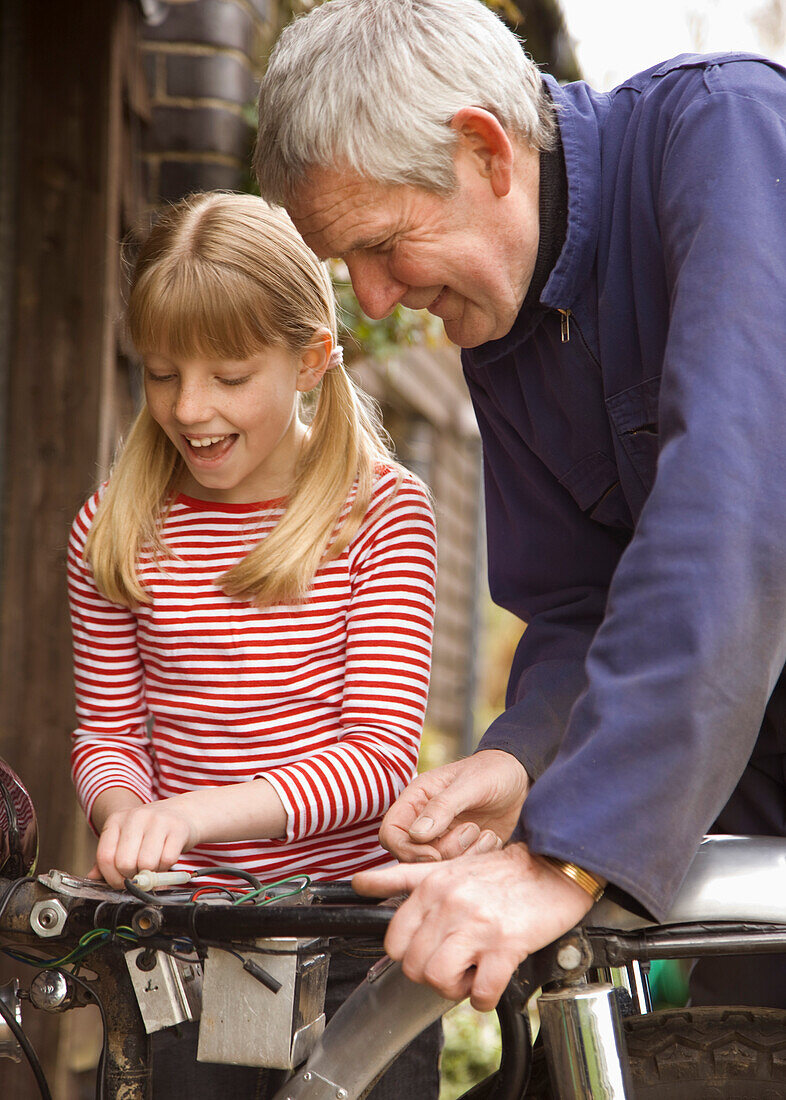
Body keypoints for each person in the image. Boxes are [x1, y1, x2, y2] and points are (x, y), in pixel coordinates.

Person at [254, 0, 786, 1013]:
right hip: (741, 781)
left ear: (485, 150)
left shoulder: (728, 136)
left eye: (381, 245)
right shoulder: (503, 320)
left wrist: (569, 854)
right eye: (344, 265)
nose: (369, 301)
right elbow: (580, 604)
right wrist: (519, 757)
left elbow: (739, 514)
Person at [67, 192, 440, 1095]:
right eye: (162, 373)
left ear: (311, 359)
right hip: (189, 949)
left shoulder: (380, 513)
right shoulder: (115, 528)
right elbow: (109, 738)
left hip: (358, 946)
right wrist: (126, 821)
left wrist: (190, 815)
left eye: (229, 377)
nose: (189, 408)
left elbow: (377, 761)